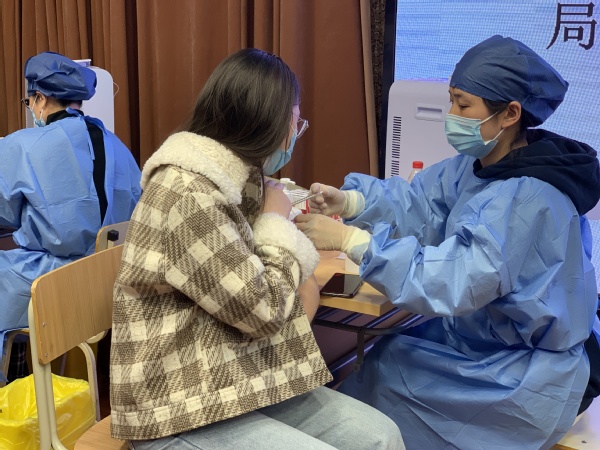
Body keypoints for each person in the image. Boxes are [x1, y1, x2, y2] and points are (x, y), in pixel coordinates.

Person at [295, 35, 600, 449]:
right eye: (451, 100)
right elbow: (420, 204)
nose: (451, 115)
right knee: (383, 359)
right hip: (485, 341)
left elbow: (453, 279)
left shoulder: (528, 199)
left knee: (380, 388)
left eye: (463, 105)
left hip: (525, 376)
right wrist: (352, 201)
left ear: (510, 113)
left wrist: (354, 241)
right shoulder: (478, 166)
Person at [109, 48, 404, 450]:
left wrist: (282, 233)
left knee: (381, 437)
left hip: (232, 374)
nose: (296, 132)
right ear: (268, 122)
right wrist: (277, 222)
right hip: (176, 400)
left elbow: (275, 294)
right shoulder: (187, 194)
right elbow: (266, 311)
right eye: (295, 120)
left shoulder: (237, 180)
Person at [0, 51, 141, 381]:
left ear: (40, 98)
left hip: (56, 281)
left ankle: (11, 390)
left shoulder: (24, 145)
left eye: (29, 101)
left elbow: (5, 212)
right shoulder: (117, 145)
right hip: (108, 278)